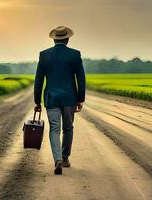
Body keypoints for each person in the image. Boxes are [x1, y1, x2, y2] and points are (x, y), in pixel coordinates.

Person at [34, 26, 86, 175]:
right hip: (69, 98)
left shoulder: (44, 55)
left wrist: (37, 101)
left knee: (54, 129)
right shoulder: (75, 55)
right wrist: (80, 98)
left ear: (54, 39)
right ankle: (64, 158)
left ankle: (57, 159)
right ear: (67, 39)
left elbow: (39, 80)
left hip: (51, 98)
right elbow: (81, 79)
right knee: (68, 128)